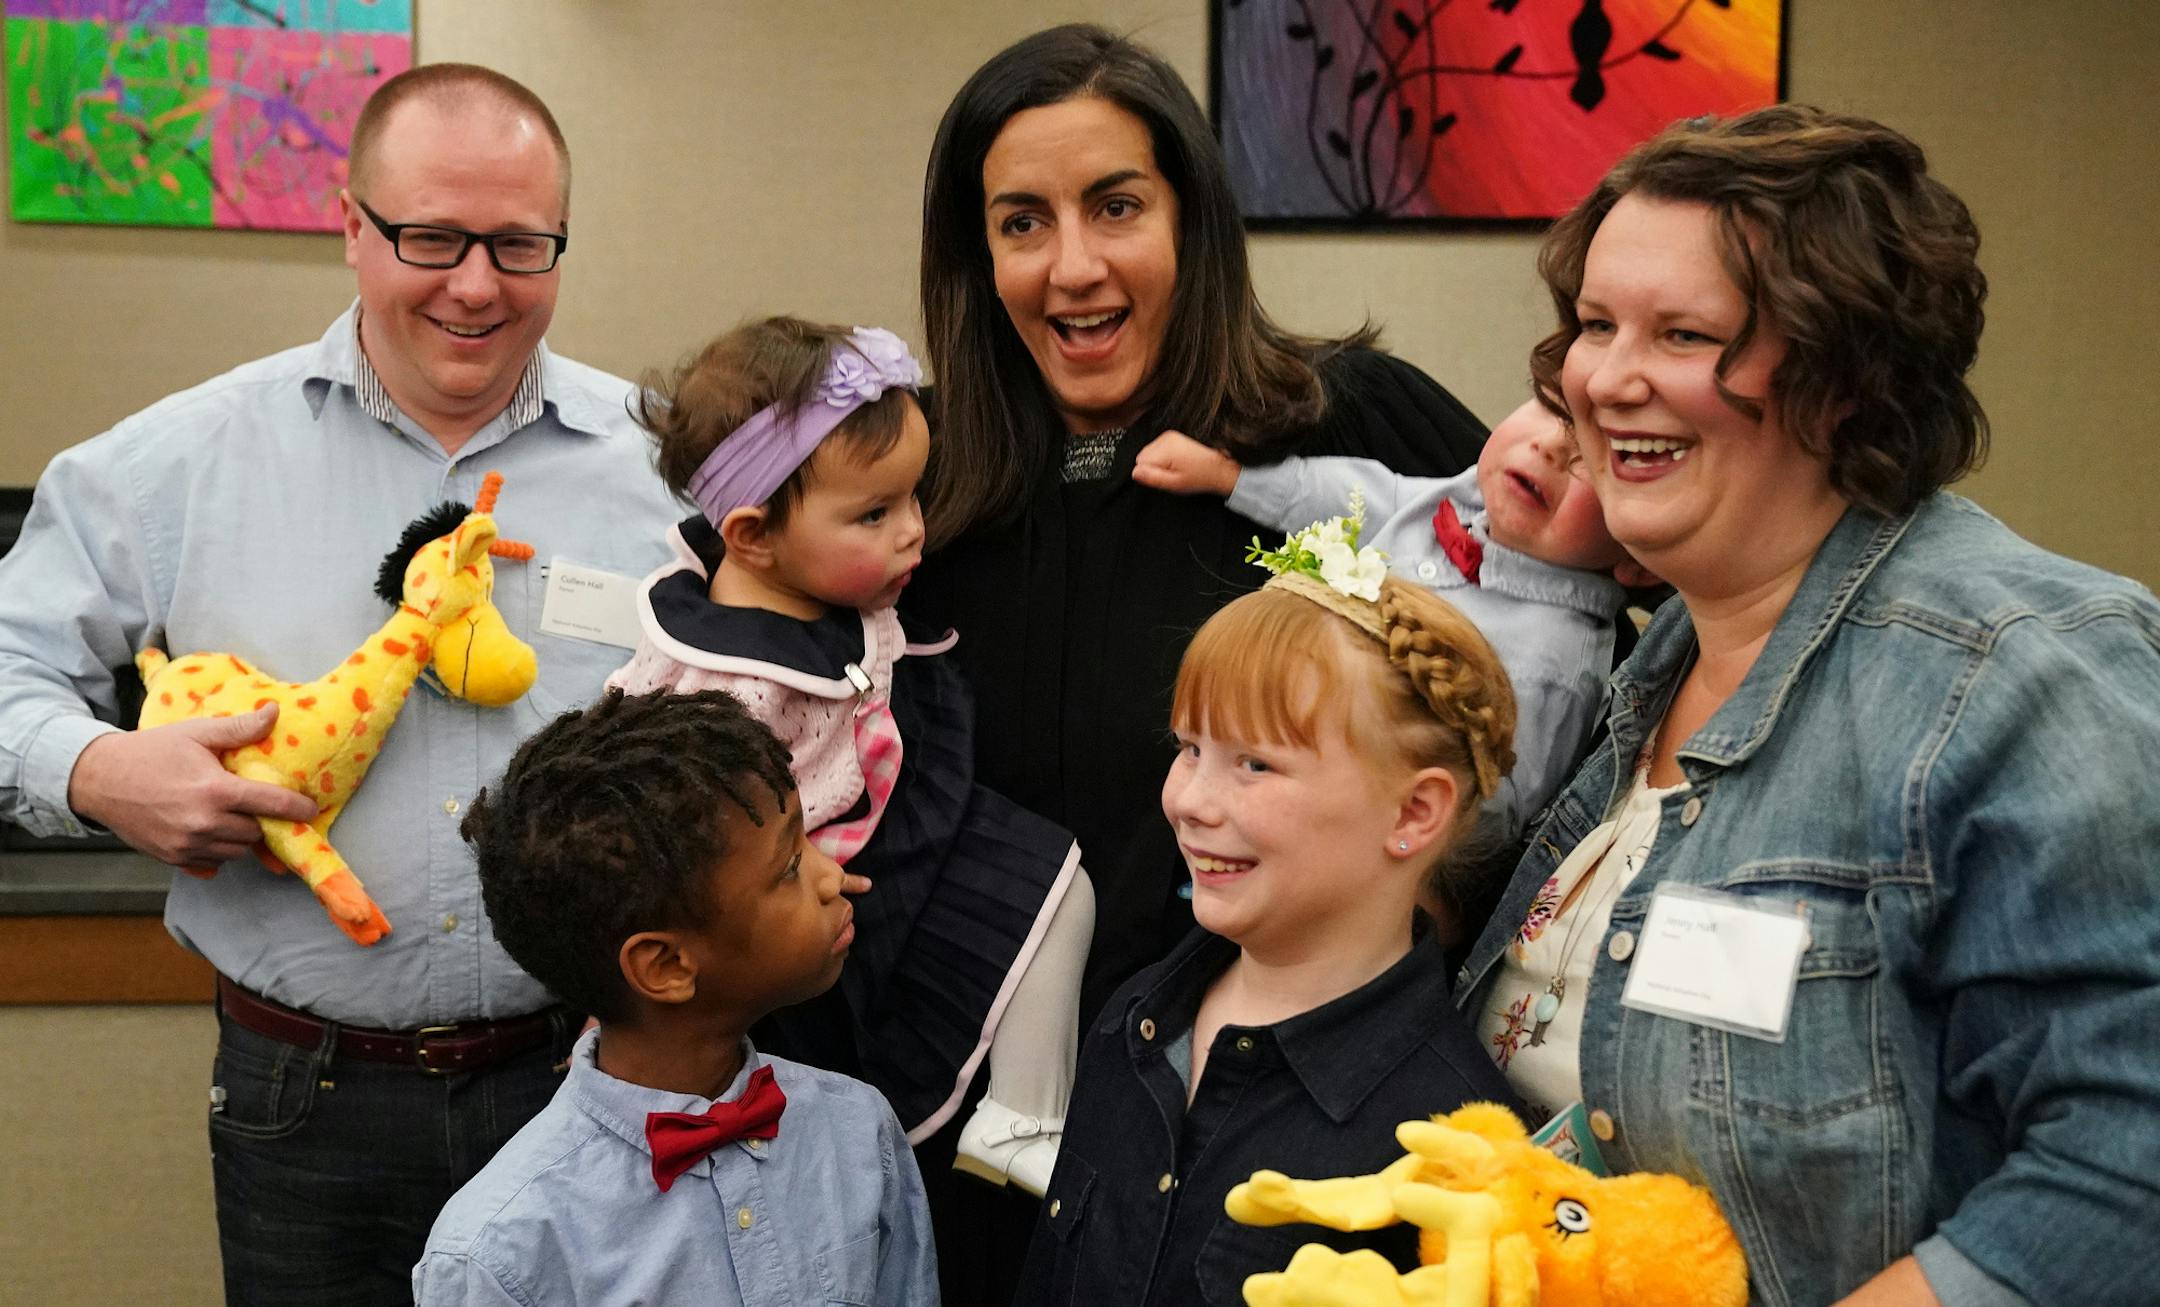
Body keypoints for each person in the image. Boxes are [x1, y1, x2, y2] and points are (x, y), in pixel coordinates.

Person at [1457, 105, 2160, 1306]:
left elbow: (2125, 1166)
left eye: (1683, 333)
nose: (1608, 378)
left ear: (1846, 376)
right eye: (1594, 324)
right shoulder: (1662, 653)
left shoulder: (2019, 673)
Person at [0, 65, 681, 1303]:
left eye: (521, 245)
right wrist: (97, 771)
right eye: (431, 236)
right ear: (350, 227)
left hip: (590, 1074)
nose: (477, 284)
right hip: (301, 1100)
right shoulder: (181, 461)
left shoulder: (665, 465)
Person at [907, 23, 1489, 1033]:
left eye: (1117, 207)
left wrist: (1446, 886)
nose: (1073, 266)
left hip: (1278, 1100)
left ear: (1191, 222)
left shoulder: (1352, 426)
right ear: (980, 255)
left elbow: (1562, 663)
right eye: (1022, 223)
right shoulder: (910, 484)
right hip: (967, 1113)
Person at [605, 316, 1093, 1195]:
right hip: (818, 904)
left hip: (889, 818)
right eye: (874, 512)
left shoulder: (817, 587)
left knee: (1061, 884)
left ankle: (1025, 1116)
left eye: (913, 495)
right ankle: (1018, 1117)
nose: (914, 531)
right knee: (1044, 890)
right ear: (751, 535)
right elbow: (672, 845)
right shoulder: (731, 685)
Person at [1017, 526, 1524, 1306]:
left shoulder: (1453, 1150)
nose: (1187, 801)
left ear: (1415, 810)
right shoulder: (1134, 1022)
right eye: (1189, 747)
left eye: (1255, 763)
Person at [415, 688, 938, 1306]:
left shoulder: (857, 1129)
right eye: (790, 866)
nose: (831, 876)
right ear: (665, 966)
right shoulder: (501, 1253)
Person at [1134, 396, 1656, 872]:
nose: (1552, 446)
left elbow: (1489, 825)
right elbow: (1369, 497)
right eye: (1552, 406)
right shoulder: (1472, 500)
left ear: (1638, 559)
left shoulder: (1549, 670)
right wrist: (1230, 476)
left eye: (1594, 454)